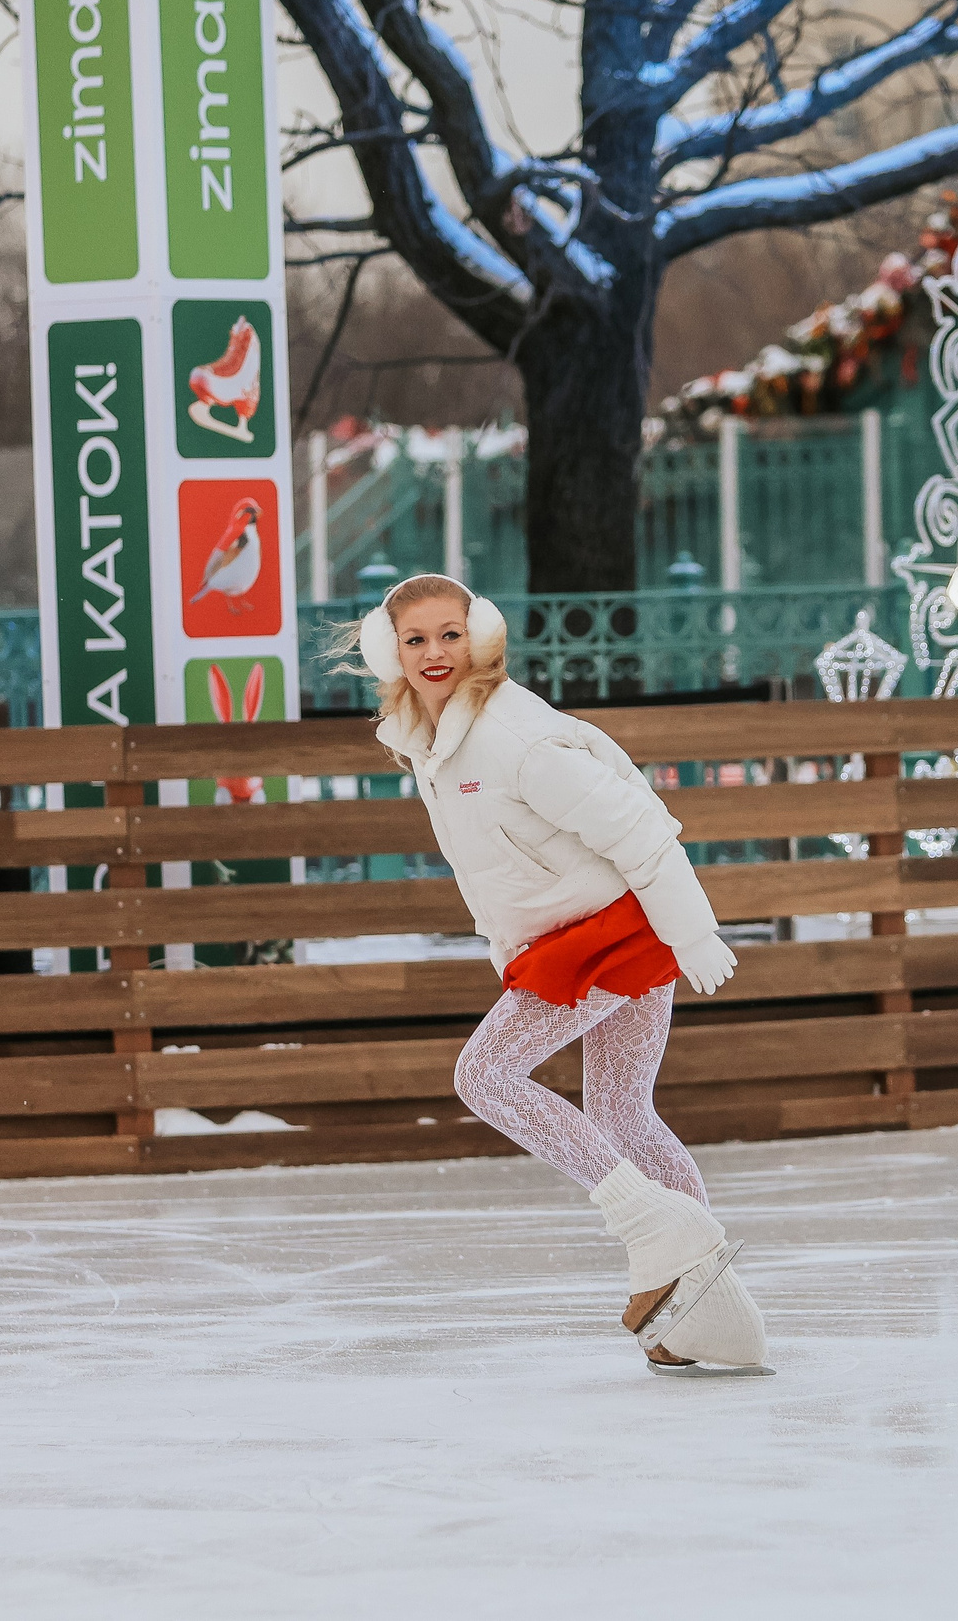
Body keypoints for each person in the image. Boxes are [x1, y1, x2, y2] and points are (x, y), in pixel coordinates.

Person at [335, 573, 770, 1377]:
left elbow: (636, 822)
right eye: (417, 639)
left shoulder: (511, 736)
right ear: (388, 652)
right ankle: (705, 1296)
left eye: (451, 634)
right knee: (621, 1109)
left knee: (486, 1073)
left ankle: (648, 1225)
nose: (436, 653)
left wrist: (694, 928)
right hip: (583, 930)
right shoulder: (425, 738)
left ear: (481, 638)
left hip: (610, 931)